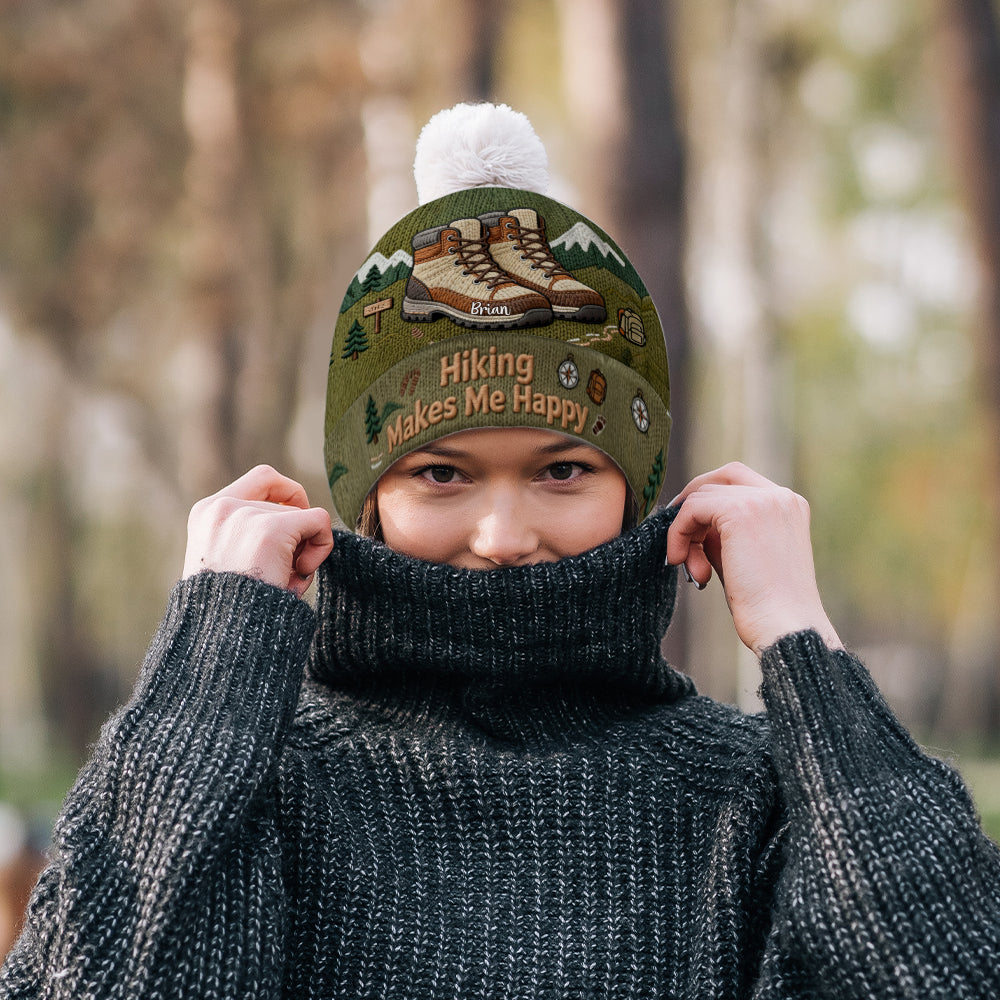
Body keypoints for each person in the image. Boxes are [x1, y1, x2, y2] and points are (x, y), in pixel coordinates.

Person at [2, 102, 999, 1000]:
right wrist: (201, 688)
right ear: (367, 497)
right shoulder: (261, 785)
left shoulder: (748, 799)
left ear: (633, 487)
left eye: (563, 469)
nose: (505, 533)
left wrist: (804, 646)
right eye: (441, 473)